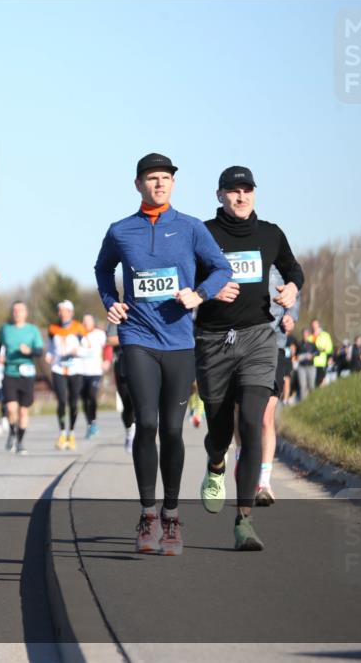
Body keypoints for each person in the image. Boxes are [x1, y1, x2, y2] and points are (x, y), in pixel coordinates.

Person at [94, 153, 232, 556]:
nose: (159, 184)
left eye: (165, 179)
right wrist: (111, 301)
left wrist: (199, 293)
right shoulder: (121, 231)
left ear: (173, 184)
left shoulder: (189, 228)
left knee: (173, 429)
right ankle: (148, 515)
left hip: (179, 342)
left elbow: (221, 268)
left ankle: (172, 517)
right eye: (152, 178)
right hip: (136, 336)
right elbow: (103, 269)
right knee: (147, 422)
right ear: (138, 184)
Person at [194, 165, 303, 551]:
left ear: (254, 194)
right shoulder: (202, 232)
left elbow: (293, 268)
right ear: (220, 195)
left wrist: (291, 287)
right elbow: (182, 278)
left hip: (259, 337)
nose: (241, 197)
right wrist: (207, 290)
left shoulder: (270, 233)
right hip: (213, 341)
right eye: (233, 191)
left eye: (247, 190)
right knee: (220, 433)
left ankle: (244, 521)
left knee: (255, 422)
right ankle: (215, 463)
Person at [236, 264, 300, 507]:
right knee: (241, 415)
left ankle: (263, 481)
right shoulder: (239, 264)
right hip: (241, 348)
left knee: (265, 417)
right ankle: (242, 461)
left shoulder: (283, 270)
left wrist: (290, 318)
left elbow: (295, 301)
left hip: (274, 348)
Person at [0, 301, 45, 455]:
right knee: (11, 408)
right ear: (12, 313)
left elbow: (39, 351)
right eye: (15, 310)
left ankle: (19, 441)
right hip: (9, 371)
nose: (17, 312)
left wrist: (29, 351)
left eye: (20, 310)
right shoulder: (5, 329)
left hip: (27, 373)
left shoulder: (32, 330)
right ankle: (12, 433)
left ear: (26, 313)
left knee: (23, 411)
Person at [45, 300, 84, 450]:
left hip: (76, 369)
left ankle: (71, 434)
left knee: (73, 403)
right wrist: (48, 355)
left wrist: (77, 352)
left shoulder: (79, 328)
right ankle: (62, 433)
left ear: (71, 313)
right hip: (58, 369)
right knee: (61, 401)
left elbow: (87, 350)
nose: (62, 313)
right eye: (60, 311)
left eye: (65, 311)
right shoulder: (52, 328)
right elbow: (50, 347)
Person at [105, 321, 136, 452]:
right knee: (127, 404)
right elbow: (110, 340)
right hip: (122, 364)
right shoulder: (117, 315)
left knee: (139, 402)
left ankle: (137, 434)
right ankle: (129, 431)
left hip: (143, 364)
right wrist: (133, 337)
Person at [76, 313, 107, 439]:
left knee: (92, 395)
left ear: (94, 322)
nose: (86, 323)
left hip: (95, 370)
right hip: (81, 371)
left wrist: (107, 360)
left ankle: (93, 421)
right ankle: (89, 424)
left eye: (88, 320)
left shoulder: (100, 334)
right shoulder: (79, 335)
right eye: (84, 320)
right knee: (84, 399)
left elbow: (108, 348)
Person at [308, 319, 334, 388]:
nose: (314, 326)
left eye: (315, 324)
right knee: (313, 383)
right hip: (311, 363)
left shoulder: (325, 335)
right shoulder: (310, 337)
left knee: (321, 381)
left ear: (318, 325)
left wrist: (323, 350)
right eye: (313, 325)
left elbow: (329, 348)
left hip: (322, 362)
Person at [295, 328, 319, 400]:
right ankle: (303, 402)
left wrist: (312, 356)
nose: (305, 336)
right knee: (303, 386)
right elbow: (295, 355)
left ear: (308, 335)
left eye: (306, 334)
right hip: (301, 367)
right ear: (302, 335)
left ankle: (313, 400)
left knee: (311, 385)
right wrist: (298, 357)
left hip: (311, 367)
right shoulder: (299, 344)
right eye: (304, 334)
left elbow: (318, 352)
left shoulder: (312, 344)